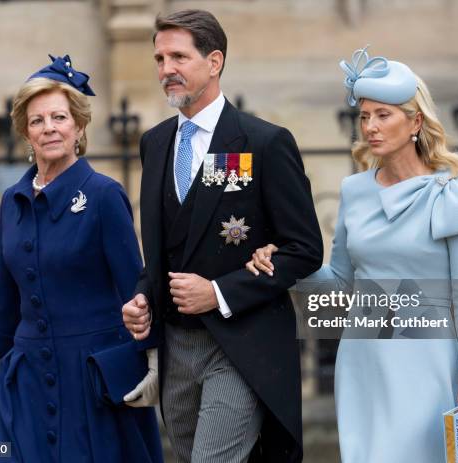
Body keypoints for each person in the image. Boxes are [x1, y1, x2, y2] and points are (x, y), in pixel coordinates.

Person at [246, 47, 458, 462]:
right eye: (364, 116)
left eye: (383, 115)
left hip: (428, 357)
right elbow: (340, 282)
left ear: (415, 121)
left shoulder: (453, 191)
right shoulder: (354, 191)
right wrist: (284, 262)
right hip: (363, 356)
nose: (370, 127)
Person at [121, 9, 323, 463]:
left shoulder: (264, 142)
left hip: (242, 345)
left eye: (178, 56)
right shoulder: (154, 143)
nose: (166, 69)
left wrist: (219, 292)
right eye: (159, 58)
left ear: (215, 62)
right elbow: (165, 247)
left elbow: (305, 248)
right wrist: (142, 298)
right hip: (176, 349)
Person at [0, 55, 163, 462]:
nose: (49, 128)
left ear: (79, 127)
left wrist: (155, 360)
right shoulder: (11, 201)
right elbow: (3, 298)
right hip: (27, 382)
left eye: (59, 117)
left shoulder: (104, 195)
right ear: (25, 132)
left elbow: (136, 291)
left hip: (94, 382)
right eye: (37, 120)